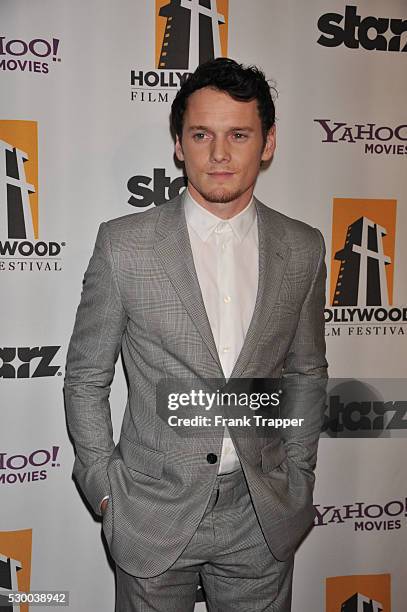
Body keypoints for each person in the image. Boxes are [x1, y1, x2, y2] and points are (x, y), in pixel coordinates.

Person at [64, 57, 328, 612]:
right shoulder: (124, 245)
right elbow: (87, 377)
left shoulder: (303, 247)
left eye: (239, 134)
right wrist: (106, 491)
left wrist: (299, 471)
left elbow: (307, 371)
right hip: (150, 512)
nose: (220, 153)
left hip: (262, 516)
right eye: (202, 134)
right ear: (179, 144)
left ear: (269, 142)